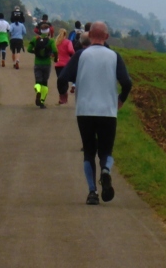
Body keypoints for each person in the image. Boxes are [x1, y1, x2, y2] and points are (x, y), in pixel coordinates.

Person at [57, 22, 132, 205]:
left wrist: (63, 93)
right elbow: (127, 82)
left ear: (89, 36)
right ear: (107, 37)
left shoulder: (81, 55)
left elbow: (62, 78)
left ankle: (92, 192)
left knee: (89, 152)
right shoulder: (114, 56)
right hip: (107, 111)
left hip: (85, 111)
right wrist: (121, 99)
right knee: (106, 150)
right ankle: (105, 170)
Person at [27, 21, 57, 108]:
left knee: (38, 81)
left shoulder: (35, 39)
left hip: (37, 63)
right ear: (48, 31)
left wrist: (36, 52)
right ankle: (42, 102)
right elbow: (55, 50)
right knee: (44, 82)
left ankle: (38, 91)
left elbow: (29, 49)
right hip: (47, 63)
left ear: (40, 30)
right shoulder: (51, 40)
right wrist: (55, 57)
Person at [54, 28, 75, 104]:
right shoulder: (68, 42)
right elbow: (70, 50)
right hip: (66, 63)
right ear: (66, 34)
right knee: (65, 80)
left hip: (58, 63)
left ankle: (61, 95)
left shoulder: (56, 42)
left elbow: (53, 51)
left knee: (59, 79)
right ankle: (64, 94)